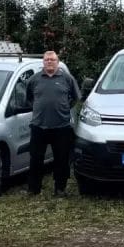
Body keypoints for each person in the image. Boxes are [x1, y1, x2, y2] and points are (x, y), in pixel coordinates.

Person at [26, 50, 81, 197]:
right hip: (38, 126)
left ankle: (60, 189)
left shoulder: (67, 79)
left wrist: (64, 108)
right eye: (46, 60)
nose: (49, 62)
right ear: (43, 62)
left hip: (61, 127)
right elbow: (29, 98)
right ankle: (34, 188)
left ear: (58, 62)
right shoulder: (34, 79)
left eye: (52, 60)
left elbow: (76, 98)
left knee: (61, 160)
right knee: (36, 159)